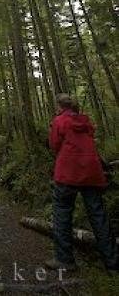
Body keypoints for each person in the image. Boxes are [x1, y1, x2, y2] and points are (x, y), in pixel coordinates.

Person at [45, 93, 118, 273]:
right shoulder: (85, 122)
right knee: (98, 215)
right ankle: (112, 263)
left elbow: (54, 145)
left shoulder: (59, 121)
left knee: (62, 213)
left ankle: (65, 260)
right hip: (91, 172)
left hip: (67, 173)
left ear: (60, 107)